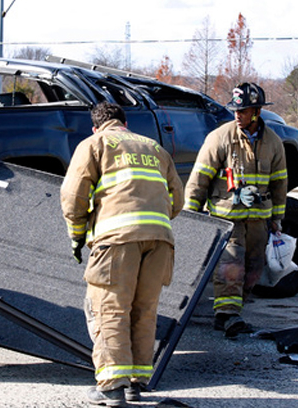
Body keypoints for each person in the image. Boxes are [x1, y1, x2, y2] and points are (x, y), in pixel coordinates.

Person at [60, 102, 183, 407]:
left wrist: (77, 236)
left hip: (116, 240)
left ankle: (112, 387)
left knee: (110, 308)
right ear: (125, 123)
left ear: (96, 126)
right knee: (144, 309)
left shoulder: (94, 144)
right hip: (160, 240)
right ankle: (135, 384)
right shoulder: (153, 147)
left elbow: (73, 196)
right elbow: (177, 199)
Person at [184, 82, 288, 338]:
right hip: (227, 219)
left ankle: (235, 309)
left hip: (259, 221)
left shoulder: (273, 142)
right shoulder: (220, 138)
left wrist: (277, 218)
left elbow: (280, 183)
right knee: (230, 268)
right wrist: (192, 217)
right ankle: (226, 315)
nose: (237, 116)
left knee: (253, 269)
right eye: (235, 111)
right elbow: (199, 179)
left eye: (243, 111)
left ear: (257, 112)